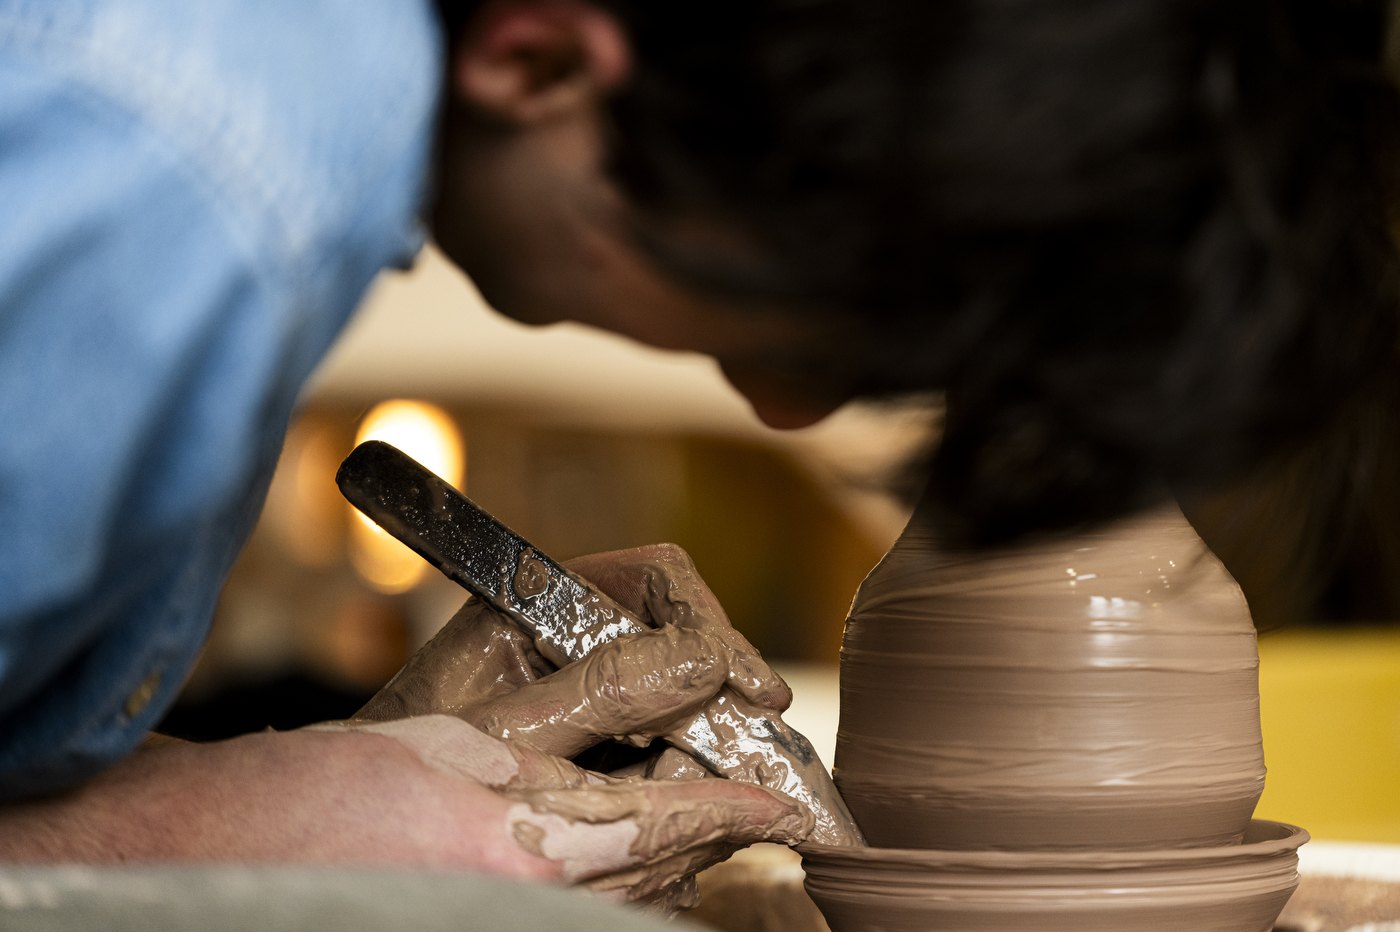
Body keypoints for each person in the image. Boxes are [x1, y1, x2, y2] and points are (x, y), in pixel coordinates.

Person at [0, 0, 1396, 909]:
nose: (785, 409)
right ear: (538, 54)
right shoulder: (169, 187)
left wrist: (300, 786)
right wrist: (189, 841)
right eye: (811, 319)